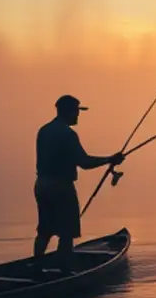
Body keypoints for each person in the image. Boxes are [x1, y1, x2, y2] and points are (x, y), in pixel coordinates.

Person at [33, 94, 124, 268]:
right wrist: (109, 159)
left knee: (45, 230)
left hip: (42, 185)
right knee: (66, 233)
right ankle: (64, 270)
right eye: (76, 111)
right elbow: (84, 162)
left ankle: (36, 266)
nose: (77, 115)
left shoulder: (43, 130)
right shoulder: (68, 134)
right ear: (68, 111)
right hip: (61, 187)